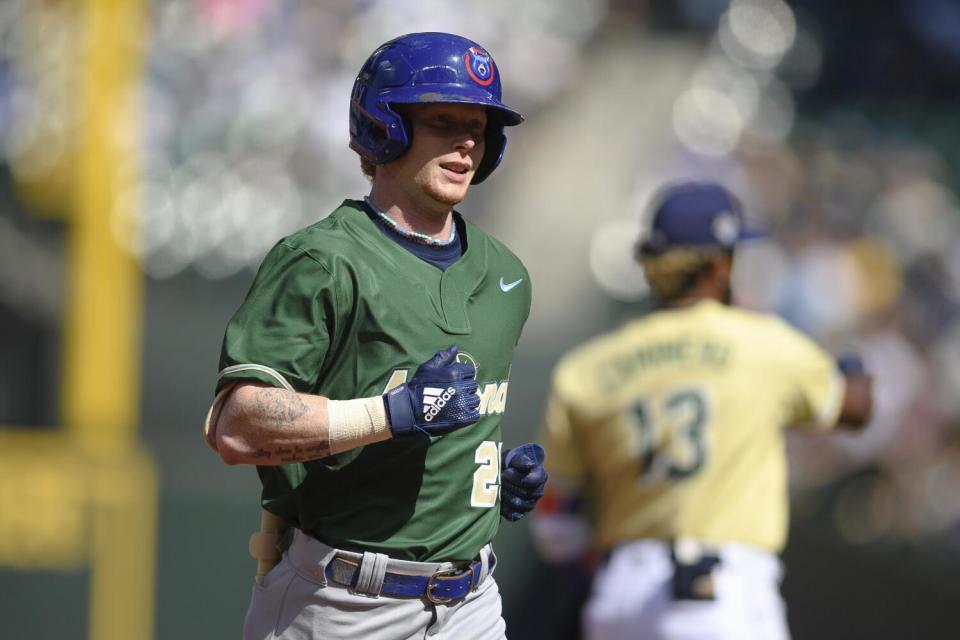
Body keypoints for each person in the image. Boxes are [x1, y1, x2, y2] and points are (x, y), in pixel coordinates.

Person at [203, 32, 547, 640]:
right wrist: (393, 412)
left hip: (472, 601)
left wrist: (483, 482)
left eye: (479, 124)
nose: (468, 140)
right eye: (444, 120)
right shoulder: (322, 259)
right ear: (385, 125)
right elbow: (237, 425)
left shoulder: (506, 275)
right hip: (344, 601)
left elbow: (441, 424)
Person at [531, 181, 873, 640]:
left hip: (621, 593)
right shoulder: (761, 344)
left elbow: (554, 523)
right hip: (722, 591)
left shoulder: (586, 369)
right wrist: (851, 366)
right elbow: (856, 409)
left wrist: (592, 582)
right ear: (719, 264)